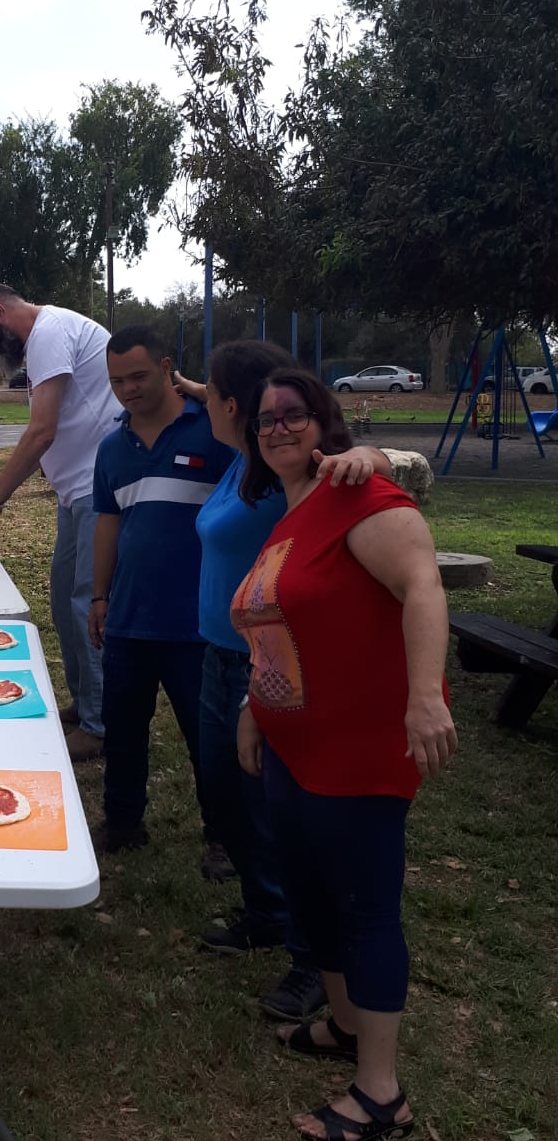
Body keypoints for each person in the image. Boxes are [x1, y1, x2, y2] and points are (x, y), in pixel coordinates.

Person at [231, 367, 457, 1141]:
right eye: (265, 418)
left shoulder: (358, 492)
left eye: (294, 413)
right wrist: (251, 709)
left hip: (357, 747)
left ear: (323, 421)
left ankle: (381, 1091)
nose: (278, 427)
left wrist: (425, 696)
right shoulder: (292, 512)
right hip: (295, 744)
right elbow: (276, 625)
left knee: (364, 904)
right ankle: (345, 1023)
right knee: (311, 892)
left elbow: (422, 582)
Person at [191, 341, 391, 1023]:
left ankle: (311, 959)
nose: (201, 399)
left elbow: (374, 479)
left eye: (210, 391)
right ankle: (268, 913)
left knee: (282, 820)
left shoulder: (290, 473)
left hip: (273, 670)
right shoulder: (243, 467)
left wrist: (379, 456)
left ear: (233, 405)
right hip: (223, 658)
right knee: (232, 798)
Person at [0, 285, 119, 761]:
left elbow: (42, 430)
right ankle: (84, 701)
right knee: (64, 594)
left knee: (89, 602)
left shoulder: (49, 331)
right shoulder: (46, 336)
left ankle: (100, 723)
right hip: (76, 495)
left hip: (97, 491)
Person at [87, 326, 235, 855]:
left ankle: (224, 838)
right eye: (116, 381)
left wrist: (210, 394)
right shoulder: (112, 448)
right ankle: (123, 824)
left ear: (168, 366)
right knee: (123, 731)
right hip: (129, 618)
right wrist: (99, 596)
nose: (127, 389)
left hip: (201, 622)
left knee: (210, 740)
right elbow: (107, 524)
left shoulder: (215, 432)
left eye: (138, 376)